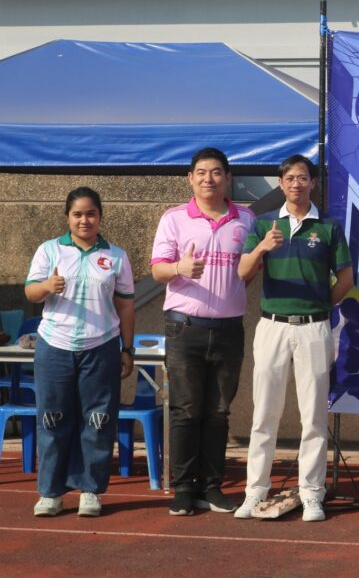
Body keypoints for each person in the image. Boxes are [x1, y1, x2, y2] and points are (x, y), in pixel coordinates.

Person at [235, 154, 354, 522]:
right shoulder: (264, 224)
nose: (296, 184)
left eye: (303, 178)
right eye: (290, 178)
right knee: (263, 414)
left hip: (314, 328)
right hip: (272, 326)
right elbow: (242, 272)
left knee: (313, 416)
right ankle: (255, 491)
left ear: (312, 183)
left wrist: (320, 305)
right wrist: (261, 248)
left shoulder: (329, 226)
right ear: (281, 183)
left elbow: (346, 279)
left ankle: (312, 493)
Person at [151, 147, 255, 516]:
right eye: (201, 172)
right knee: (185, 411)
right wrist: (179, 268)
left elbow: (248, 271)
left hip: (229, 330)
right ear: (190, 178)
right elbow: (157, 270)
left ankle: (211, 486)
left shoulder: (247, 219)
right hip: (185, 329)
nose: (208, 179)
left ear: (228, 178)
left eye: (215, 172)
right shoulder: (174, 218)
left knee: (218, 412)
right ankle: (183, 488)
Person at [25, 187, 135, 518]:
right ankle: (50, 493)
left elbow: (126, 307)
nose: (84, 220)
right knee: (52, 418)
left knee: (98, 421)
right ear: (67, 218)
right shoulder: (49, 250)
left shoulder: (116, 256)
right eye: (77, 214)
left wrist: (127, 349)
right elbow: (31, 293)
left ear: (100, 217)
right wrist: (47, 286)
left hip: (101, 346)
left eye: (91, 213)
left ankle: (91, 490)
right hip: (54, 345)